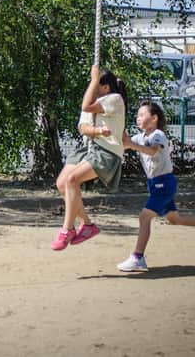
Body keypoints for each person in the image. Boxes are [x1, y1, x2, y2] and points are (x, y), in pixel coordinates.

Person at [118, 100, 195, 271]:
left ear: (154, 118)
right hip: (155, 184)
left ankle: (138, 257)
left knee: (144, 217)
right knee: (174, 219)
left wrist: (131, 144)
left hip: (164, 184)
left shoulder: (158, 134)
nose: (138, 118)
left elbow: (152, 150)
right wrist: (118, 122)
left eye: (142, 115)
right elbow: (124, 141)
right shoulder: (140, 137)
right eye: (137, 115)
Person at [51, 64, 127, 251]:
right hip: (89, 147)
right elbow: (83, 127)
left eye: (95, 86)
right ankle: (87, 224)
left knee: (72, 179)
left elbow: (86, 106)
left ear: (106, 87)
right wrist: (97, 130)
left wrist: (95, 78)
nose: (91, 89)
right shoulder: (92, 104)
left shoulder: (114, 99)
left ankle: (67, 229)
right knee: (62, 184)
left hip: (106, 152)